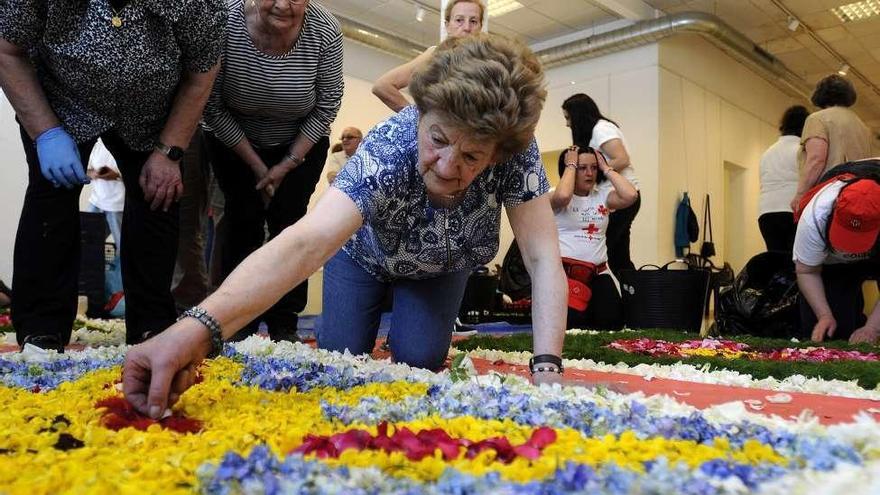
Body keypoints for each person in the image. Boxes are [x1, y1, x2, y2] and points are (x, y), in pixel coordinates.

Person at [124, 34, 567, 419]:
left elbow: (542, 256)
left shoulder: (518, 153)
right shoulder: (388, 146)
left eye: (472, 157)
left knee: (419, 360)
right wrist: (196, 328)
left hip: (441, 267)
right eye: (438, 139)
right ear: (421, 114)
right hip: (364, 257)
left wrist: (547, 367)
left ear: (498, 153)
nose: (448, 167)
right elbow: (307, 242)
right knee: (339, 360)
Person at [0, 1, 225, 351]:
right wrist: (46, 133)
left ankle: (152, 326)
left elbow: (201, 74)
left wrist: (169, 152)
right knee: (50, 198)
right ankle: (41, 329)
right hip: (61, 100)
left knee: (158, 198)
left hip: (153, 112)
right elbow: (6, 48)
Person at [201, 0, 344, 343]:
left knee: (290, 225)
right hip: (233, 140)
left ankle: (285, 321)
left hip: (300, 144)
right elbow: (211, 103)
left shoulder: (325, 30)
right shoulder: (223, 20)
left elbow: (328, 103)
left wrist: (285, 165)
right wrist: (257, 165)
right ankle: (235, 321)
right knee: (241, 221)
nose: (283, 4)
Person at [793, 159, 880, 345]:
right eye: (845, 237)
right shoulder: (815, 216)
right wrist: (824, 315)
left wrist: (872, 327)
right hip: (829, 264)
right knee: (828, 332)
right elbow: (806, 270)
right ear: (834, 209)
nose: (848, 249)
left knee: (870, 334)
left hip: (875, 253)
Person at [552, 145, 637, 330]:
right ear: (570, 167)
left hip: (598, 273)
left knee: (613, 323)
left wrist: (606, 168)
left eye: (593, 167)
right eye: (582, 168)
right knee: (573, 327)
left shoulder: (603, 197)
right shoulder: (555, 195)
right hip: (566, 275)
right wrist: (571, 164)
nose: (589, 173)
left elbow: (631, 195)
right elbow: (564, 195)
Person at [562, 93, 640, 273]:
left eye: (568, 118)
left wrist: (592, 172)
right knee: (619, 260)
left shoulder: (602, 129)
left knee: (599, 252)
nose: (567, 124)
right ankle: (637, 297)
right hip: (613, 198)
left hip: (619, 197)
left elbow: (622, 159)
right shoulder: (594, 132)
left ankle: (637, 297)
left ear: (578, 114)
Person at [372, 0, 484, 112]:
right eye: (459, 20)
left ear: (480, 26)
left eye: (473, 21)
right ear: (447, 26)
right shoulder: (435, 54)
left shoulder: (488, 61)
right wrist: (416, 118)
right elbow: (382, 86)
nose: (467, 28)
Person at [791, 74, 874, 210]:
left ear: (820, 94)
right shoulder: (863, 127)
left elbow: (816, 159)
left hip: (829, 194)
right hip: (858, 195)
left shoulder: (817, 119)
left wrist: (800, 195)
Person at [758, 105, 809, 254]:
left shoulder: (768, 152)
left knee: (775, 260)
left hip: (766, 213)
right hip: (792, 211)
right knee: (795, 260)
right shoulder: (802, 151)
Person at [85, 139, 125, 252]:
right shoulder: (97, 145)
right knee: (88, 241)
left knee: (122, 245)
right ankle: (94, 268)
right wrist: (93, 173)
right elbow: (86, 170)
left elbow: (134, 176)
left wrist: (116, 175)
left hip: (117, 205)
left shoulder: (124, 145)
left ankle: (119, 269)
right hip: (96, 201)